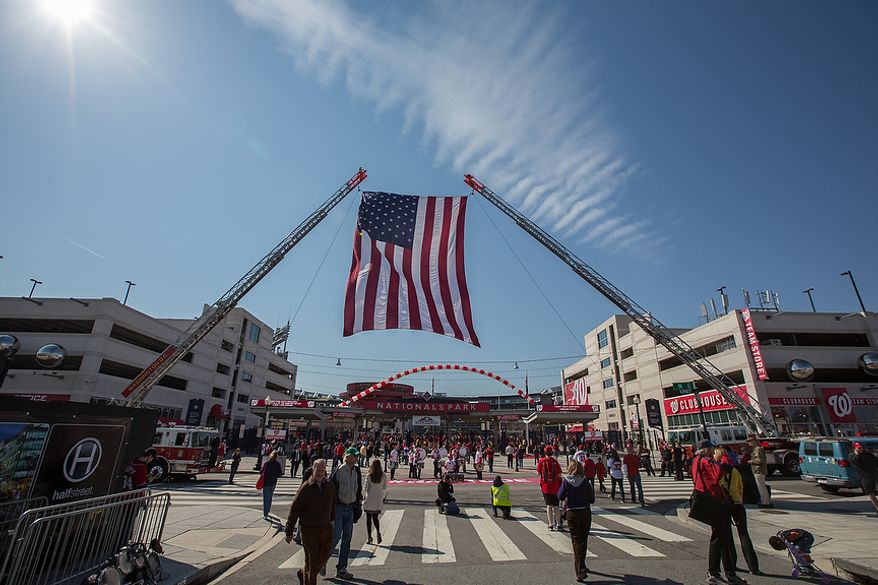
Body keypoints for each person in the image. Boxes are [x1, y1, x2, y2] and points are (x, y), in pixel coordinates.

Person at [691, 441, 744, 585]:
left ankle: (727, 572)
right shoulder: (705, 461)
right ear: (708, 450)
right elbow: (719, 472)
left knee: (721, 538)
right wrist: (725, 458)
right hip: (714, 502)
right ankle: (717, 572)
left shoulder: (696, 461)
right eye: (712, 449)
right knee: (720, 539)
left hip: (707, 501)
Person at [285, 459, 335, 585]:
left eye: (322, 471)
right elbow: (294, 508)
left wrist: (332, 518)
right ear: (313, 469)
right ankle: (309, 580)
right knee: (312, 561)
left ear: (325, 471)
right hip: (309, 530)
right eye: (318, 470)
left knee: (323, 556)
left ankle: (303, 573)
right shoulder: (306, 488)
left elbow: (333, 502)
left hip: (325, 528)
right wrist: (289, 531)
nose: (320, 473)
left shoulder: (329, 485)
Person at [715, 447, 760, 576]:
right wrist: (737, 498)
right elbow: (741, 488)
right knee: (744, 534)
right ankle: (753, 566)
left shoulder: (718, 471)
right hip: (738, 504)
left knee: (727, 536)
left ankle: (732, 564)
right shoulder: (735, 471)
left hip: (724, 505)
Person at [558, 460, 595, 583]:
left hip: (572, 512)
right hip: (584, 512)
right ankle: (582, 566)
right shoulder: (585, 481)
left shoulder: (567, 481)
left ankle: (580, 571)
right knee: (583, 540)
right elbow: (592, 498)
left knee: (576, 540)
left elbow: (560, 496)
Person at [329, 447, 362, 580]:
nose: (356, 458)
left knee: (347, 540)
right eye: (354, 456)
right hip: (339, 508)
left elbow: (358, 487)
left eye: (356, 456)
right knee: (335, 537)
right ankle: (322, 560)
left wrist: (358, 502)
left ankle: (342, 568)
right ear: (347, 457)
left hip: (350, 508)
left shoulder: (356, 471)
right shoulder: (339, 471)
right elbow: (331, 489)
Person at [538, 446, 563, 530]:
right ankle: (558, 524)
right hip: (555, 486)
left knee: (549, 505)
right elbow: (559, 474)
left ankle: (550, 524)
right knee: (556, 506)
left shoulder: (542, 461)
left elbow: (538, 473)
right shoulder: (555, 462)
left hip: (545, 486)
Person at [362, 459, 388, 545]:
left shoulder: (369, 475)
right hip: (378, 499)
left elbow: (365, 488)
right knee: (375, 518)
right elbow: (385, 487)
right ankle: (378, 532)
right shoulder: (383, 475)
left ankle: (369, 537)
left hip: (369, 499)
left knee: (368, 519)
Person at [849, 442, 878, 513]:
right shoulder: (852, 456)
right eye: (858, 448)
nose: (860, 449)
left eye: (861, 447)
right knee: (870, 493)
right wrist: (857, 454)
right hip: (865, 476)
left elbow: (876, 462)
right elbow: (854, 462)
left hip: (875, 474)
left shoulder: (868, 455)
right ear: (855, 448)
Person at [746, 435, 772, 508]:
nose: (748, 444)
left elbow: (760, 460)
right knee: (761, 486)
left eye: (749, 442)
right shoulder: (757, 449)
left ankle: (766, 502)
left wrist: (751, 461)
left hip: (759, 470)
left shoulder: (758, 449)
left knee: (761, 486)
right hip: (758, 470)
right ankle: (764, 500)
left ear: (753, 442)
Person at [261, 451, 284, 520]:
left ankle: (265, 513)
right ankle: (267, 512)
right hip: (273, 483)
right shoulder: (277, 464)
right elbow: (279, 474)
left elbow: (261, 471)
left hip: (266, 482)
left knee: (266, 498)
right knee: (270, 498)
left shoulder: (266, 463)